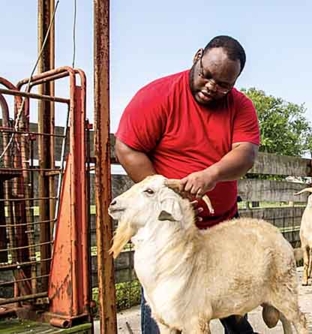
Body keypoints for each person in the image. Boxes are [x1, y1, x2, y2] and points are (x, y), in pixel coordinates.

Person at [114, 35, 260, 334]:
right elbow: (128, 147)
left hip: (221, 226)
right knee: (164, 300)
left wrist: (212, 175)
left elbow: (246, 154)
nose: (211, 87)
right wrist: (164, 194)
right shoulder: (157, 96)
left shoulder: (241, 106)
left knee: (233, 304)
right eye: (206, 75)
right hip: (169, 228)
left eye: (223, 85)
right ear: (197, 57)